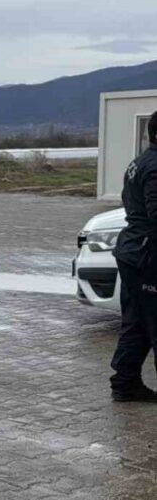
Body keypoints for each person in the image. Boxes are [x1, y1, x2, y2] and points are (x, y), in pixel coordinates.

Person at [110, 111, 157, 402]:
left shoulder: (141, 161)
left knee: (137, 321)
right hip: (147, 256)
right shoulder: (154, 167)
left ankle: (125, 384)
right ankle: (125, 383)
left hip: (132, 252)